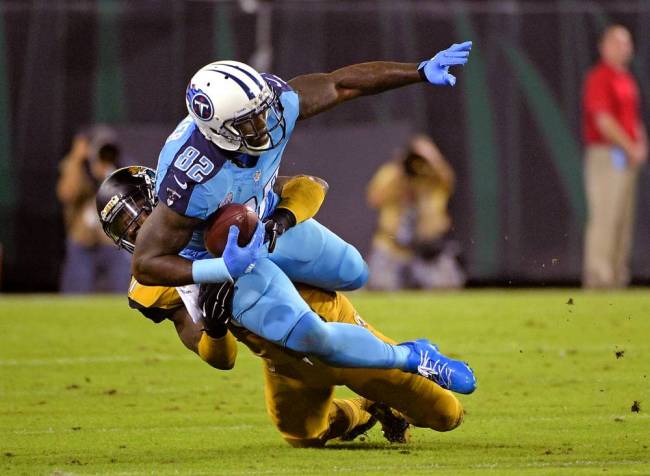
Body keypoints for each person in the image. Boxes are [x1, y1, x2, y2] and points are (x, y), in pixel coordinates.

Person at [131, 43, 477, 393]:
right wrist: (222, 269)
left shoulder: (273, 103)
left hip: (265, 222)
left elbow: (342, 83)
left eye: (261, 110)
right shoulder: (191, 176)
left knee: (354, 271)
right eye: (249, 121)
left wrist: (418, 70)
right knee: (313, 337)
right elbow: (145, 264)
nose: (265, 123)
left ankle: (291, 298)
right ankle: (413, 357)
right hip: (227, 256)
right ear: (220, 129)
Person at [96, 166, 466, 447]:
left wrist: (279, 221)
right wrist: (214, 323)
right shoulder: (152, 284)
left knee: (446, 415)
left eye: (142, 214)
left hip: (331, 326)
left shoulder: (212, 198)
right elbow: (220, 358)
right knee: (301, 434)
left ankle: (408, 359)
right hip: (281, 358)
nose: (140, 230)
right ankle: (369, 408)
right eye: (127, 227)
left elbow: (310, 185)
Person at [582, 25, 647, 289]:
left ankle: (618, 276)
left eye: (627, 43)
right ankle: (599, 277)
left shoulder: (626, 78)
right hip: (606, 155)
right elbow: (603, 120)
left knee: (623, 220)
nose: (624, 48)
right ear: (604, 46)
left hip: (627, 156)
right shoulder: (600, 77)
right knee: (605, 217)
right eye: (618, 43)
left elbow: (633, 120)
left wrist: (640, 144)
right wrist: (631, 147)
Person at [366, 134, 465, 290]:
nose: (417, 164)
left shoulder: (434, 175)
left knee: (444, 288)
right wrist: (401, 169)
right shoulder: (392, 173)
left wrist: (432, 158)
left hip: (429, 250)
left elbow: (449, 182)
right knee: (380, 287)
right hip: (392, 247)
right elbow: (375, 199)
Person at [57, 126, 131, 293]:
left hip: (112, 242)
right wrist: (77, 160)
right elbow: (67, 194)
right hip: (82, 242)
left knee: (124, 294)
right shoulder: (78, 167)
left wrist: (109, 177)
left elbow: (131, 205)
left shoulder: (121, 168)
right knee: (75, 295)